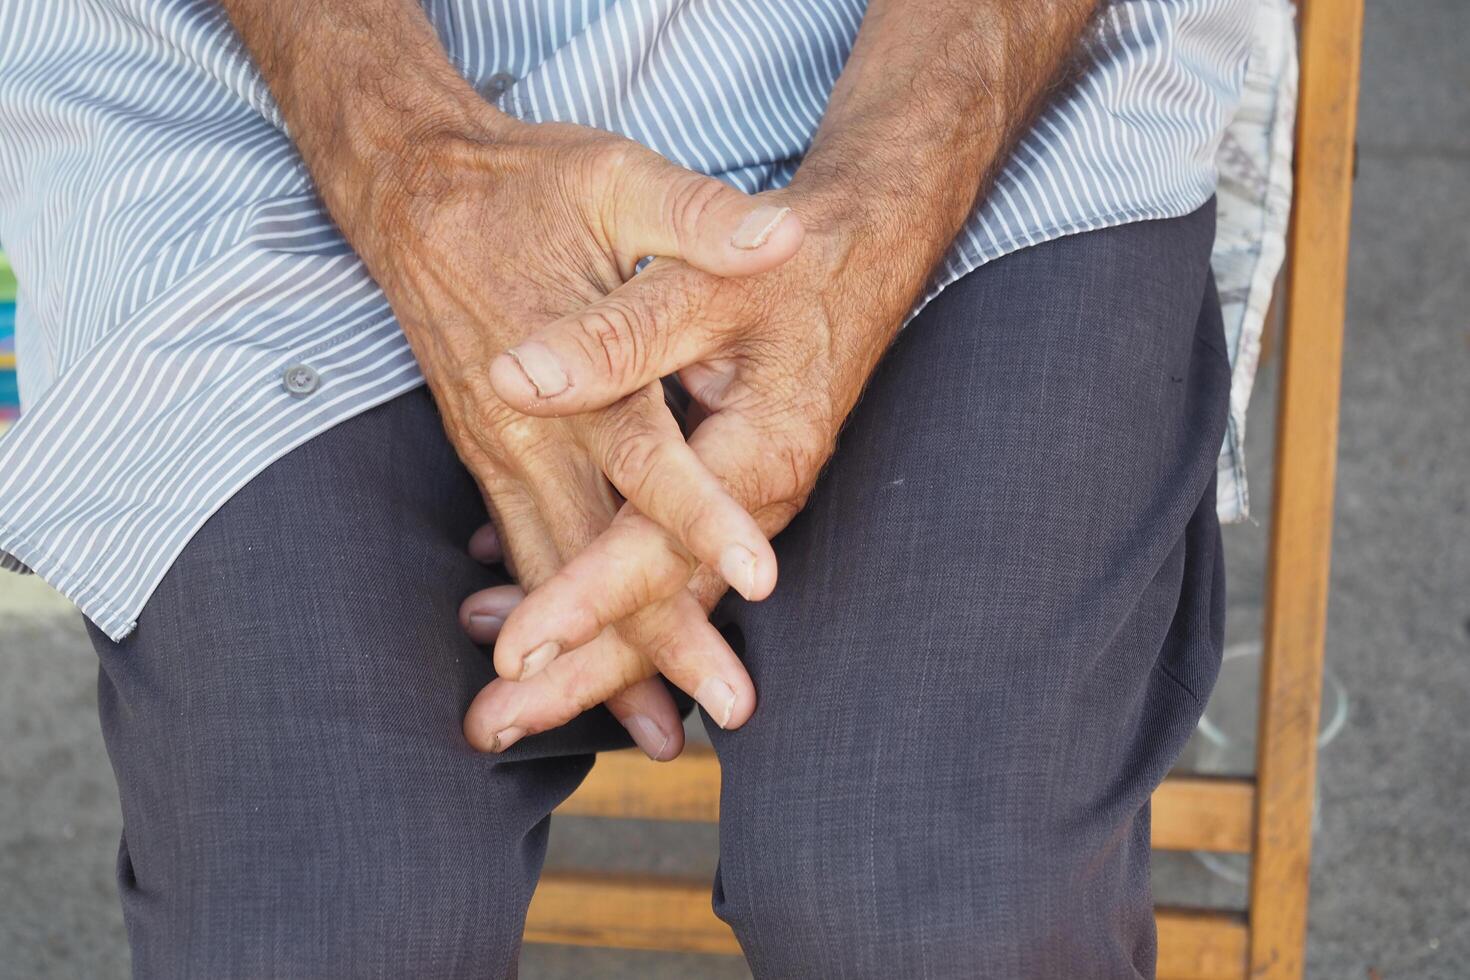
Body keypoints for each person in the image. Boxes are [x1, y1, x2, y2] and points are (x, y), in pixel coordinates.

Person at [0, 0, 1256, 975]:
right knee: (321, 920)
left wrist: (869, 221)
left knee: (932, 905)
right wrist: (409, 167)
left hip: (971, 88)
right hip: (294, 78)